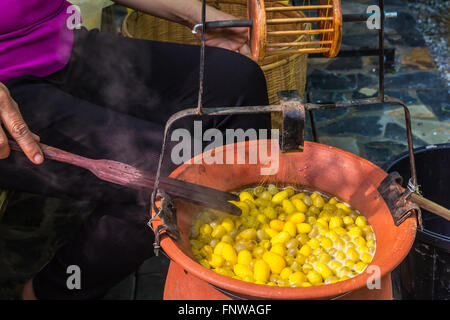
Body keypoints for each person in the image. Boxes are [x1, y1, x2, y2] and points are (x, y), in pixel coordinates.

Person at [0, 0, 270, 299]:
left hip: (57, 45)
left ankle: (238, 258)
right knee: (172, 178)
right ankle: (49, 292)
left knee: (239, 82)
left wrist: (199, 16)